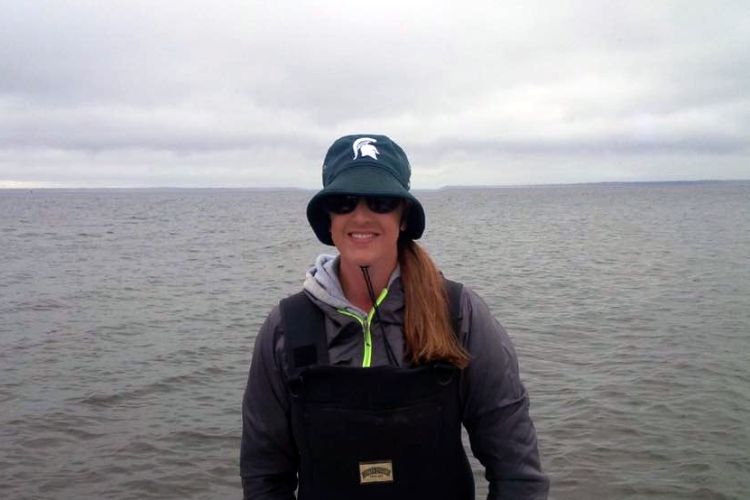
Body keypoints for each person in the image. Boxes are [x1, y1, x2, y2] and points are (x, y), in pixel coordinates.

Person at [240, 134, 549, 500]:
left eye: (381, 201)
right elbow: (264, 477)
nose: (361, 215)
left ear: (403, 217)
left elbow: (517, 470)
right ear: (328, 218)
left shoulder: (458, 314)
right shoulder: (285, 328)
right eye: (344, 201)